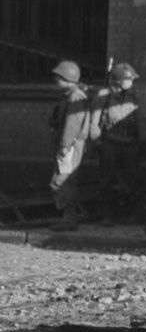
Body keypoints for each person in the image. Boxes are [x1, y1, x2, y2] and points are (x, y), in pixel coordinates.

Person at [94, 62, 146, 225]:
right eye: (128, 79)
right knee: (107, 180)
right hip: (110, 142)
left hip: (130, 143)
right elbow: (94, 119)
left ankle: (138, 213)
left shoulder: (134, 96)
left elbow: (140, 120)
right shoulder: (104, 95)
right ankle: (107, 215)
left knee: (134, 178)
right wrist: (96, 140)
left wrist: (142, 139)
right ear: (118, 80)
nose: (131, 82)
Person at [47, 60, 93, 231]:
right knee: (65, 180)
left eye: (57, 78)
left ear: (66, 78)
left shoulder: (75, 97)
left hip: (71, 145)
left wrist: (64, 145)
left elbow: (72, 123)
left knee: (63, 180)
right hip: (70, 144)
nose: (55, 81)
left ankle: (69, 220)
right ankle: (68, 218)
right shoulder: (72, 96)